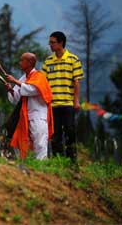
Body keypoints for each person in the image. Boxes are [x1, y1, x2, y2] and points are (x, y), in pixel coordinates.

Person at [42, 31, 84, 161]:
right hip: (53, 105)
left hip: (67, 104)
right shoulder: (48, 62)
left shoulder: (73, 59)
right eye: (50, 42)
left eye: (52, 42)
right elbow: (43, 82)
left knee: (70, 130)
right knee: (55, 134)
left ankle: (72, 160)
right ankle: (58, 160)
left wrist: (76, 101)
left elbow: (76, 81)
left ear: (61, 43)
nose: (50, 45)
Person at [5, 53, 54, 160]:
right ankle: (30, 167)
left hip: (38, 116)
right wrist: (11, 90)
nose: (20, 63)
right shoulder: (23, 78)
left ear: (30, 62)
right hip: (25, 117)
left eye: (22, 60)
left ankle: (41, 169)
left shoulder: (39, 76)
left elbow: (32, 90)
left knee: (40, 144)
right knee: (24, 143)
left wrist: (14, 81)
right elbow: (17, 98)